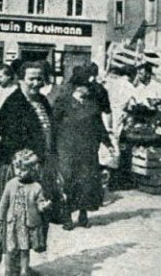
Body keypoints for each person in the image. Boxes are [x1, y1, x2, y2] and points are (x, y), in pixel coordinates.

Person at [53, 70, 113, 230]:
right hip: (67, 149)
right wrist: (51, 148)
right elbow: (53, 126)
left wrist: (108, 143)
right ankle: (66, 216)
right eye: (88, 86)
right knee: (68, 181)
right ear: (78, 87)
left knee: (87, 182)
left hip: (88, 149)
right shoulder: (62, 102)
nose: (91, 89)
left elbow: (99, 126)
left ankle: (83, 214)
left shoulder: (93, 103)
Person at [0, 62, 53, 203]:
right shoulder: (13, 104)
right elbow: (12, 137)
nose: (36, 83)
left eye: (39, 79)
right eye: (31, 79)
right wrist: (32, 157)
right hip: (19, 165)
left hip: (40, 162)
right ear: (20, 80)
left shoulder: (42, 100)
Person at [0, 149, 52, 276]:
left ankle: (24, 270)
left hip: (27, 224)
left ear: (32, 170)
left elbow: (40, 202)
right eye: (17, 169)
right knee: (10, 248)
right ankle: (9, 270)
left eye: (24, 170)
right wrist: (0, 219)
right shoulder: (10, 184)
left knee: (25, 248)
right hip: (12, 224)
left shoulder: (36, 187)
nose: (19, 173)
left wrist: (44, 206)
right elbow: (4, 203)